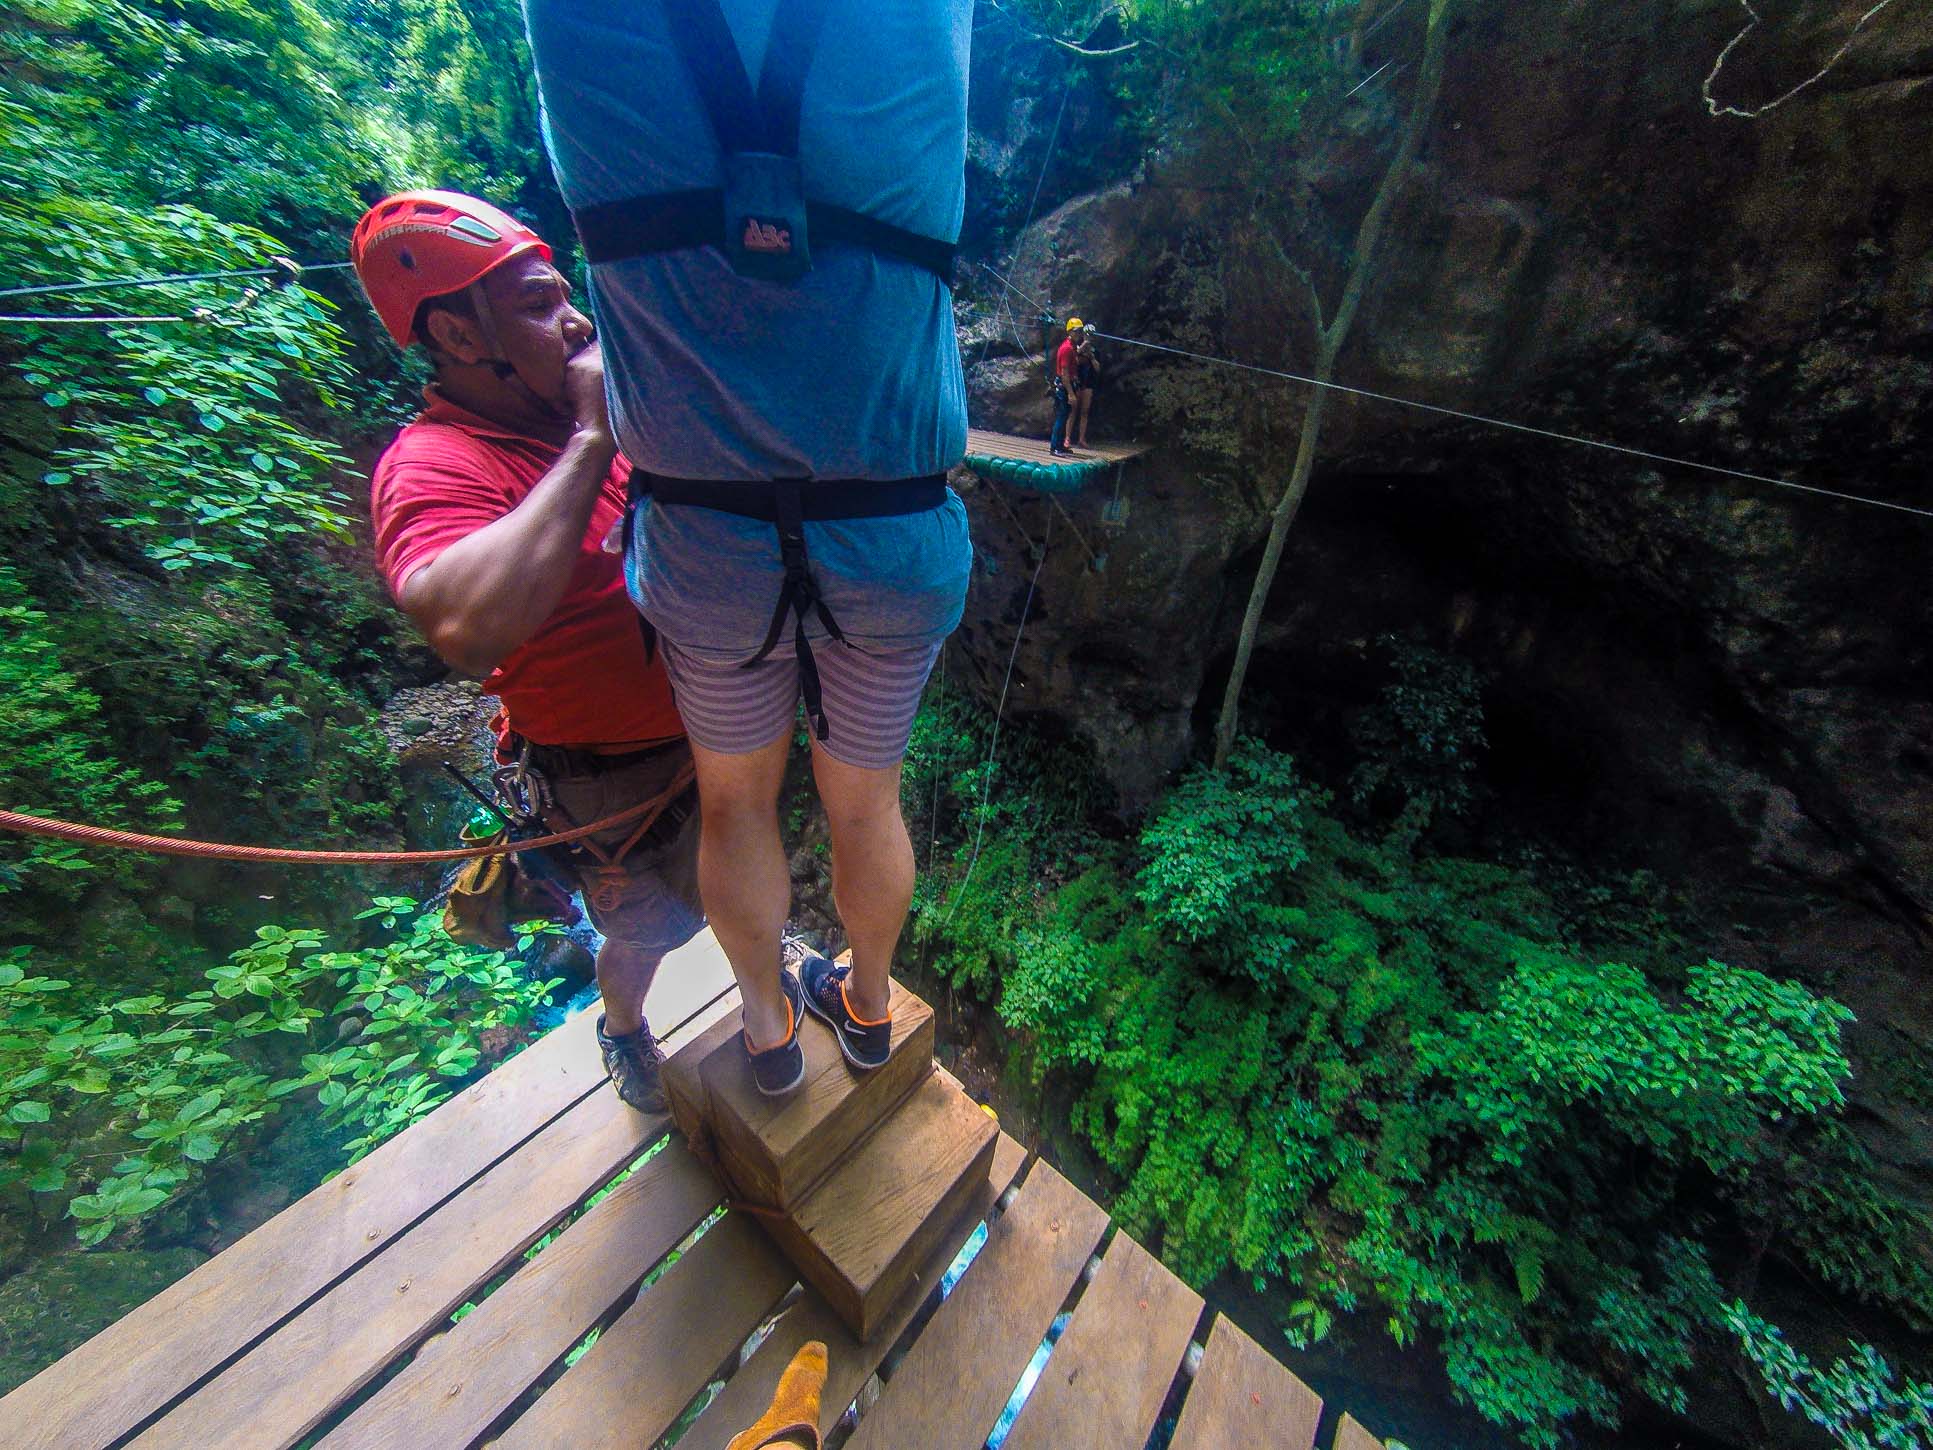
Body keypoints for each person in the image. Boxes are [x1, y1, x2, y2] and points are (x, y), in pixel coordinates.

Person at [522, 0, 974, 1097]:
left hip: (706, 547)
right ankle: (865, 1010)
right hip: (891, 535)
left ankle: (770, 1039)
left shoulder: (580, 31)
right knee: (868, 800)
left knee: (733, 803)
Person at [350, 189, 704, 1114]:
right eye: (542, 301)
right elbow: (465, 628)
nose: (576, 318)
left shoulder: (598, 412)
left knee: (724, 882)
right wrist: (591, 440)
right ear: (463, 339)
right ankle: (622, 1025)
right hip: (607, 781)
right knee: (647, 930)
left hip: (712, 727)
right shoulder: (437, 463)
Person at [1049, 316, 1081, 457]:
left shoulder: (1073, 347)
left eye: (1079, 331)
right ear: (1070, 332)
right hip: (1064, 387)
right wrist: (1071, 394)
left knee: (1065, 414)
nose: (1078, 333)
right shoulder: (1067, 348)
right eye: (1076, 331)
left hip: (1068, 385)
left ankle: (1060, 445)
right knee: (1062, 416)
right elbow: (1064, 373)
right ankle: (1055, 447)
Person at [1074, 322, 1101, 448]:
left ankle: (1081, 439)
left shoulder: (1095, 350)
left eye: (1091, 335)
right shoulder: (1077, 345)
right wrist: (1084, 345)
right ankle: (1067, 437)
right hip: (1077, 381)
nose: (1089, 337)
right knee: (1073, 410)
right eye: (1087, 334)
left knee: (1084, 411)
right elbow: (1074, 358)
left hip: (1089, 383)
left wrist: (1091, 357)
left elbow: (1098, 368)